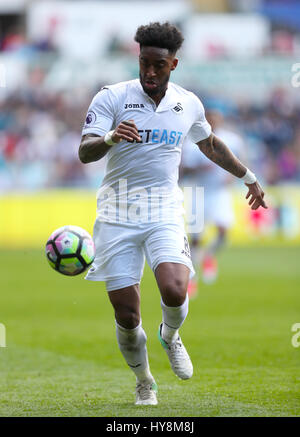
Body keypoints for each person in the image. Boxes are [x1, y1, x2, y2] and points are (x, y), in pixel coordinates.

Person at [78, 22, 267, 406]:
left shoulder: (188, 103)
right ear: (138, 59)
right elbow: (85, 151)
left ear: (173, 65)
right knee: (128, 316)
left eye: (158, 66)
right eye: (144, 63)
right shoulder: (111, 98)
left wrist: (248, 177)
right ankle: (145, 380)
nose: (149, 72)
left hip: (164, 208)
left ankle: (170, 333)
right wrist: (111, 137)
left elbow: (210, 145)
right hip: (117, 211)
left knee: (175, 288)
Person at [180, 108, 247, 294]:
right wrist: (201, 168)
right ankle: (191, 278)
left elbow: (241, 160)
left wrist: (233, 177)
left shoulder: (232, 140)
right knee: (195, 239)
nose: (213, 122)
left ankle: (208, 256)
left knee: (223, 232)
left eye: (216, 119)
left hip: (219, 192)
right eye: (210, 119)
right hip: (198, 191)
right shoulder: (191, 142)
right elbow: (183, 169)